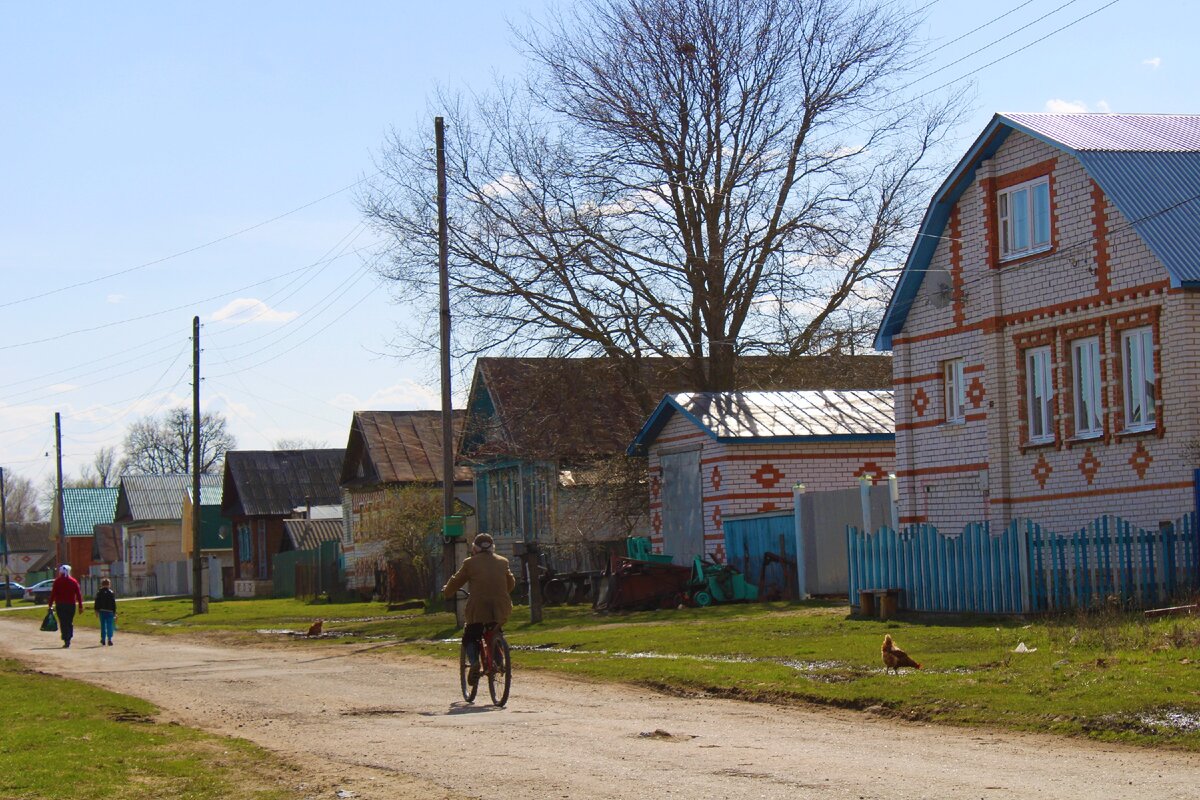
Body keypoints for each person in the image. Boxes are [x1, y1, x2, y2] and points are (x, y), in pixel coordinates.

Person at [442, 533, 516, 686]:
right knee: (495, 631)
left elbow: (457, 581)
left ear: (474, 548)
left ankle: (474, 662)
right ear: (492, 547)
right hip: (501, 606)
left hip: (478, 606)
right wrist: (501, 593)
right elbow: (511, 583)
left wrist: (447, 592)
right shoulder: (503, 562)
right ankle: (499, 661)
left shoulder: (470, 563)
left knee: (470, 635)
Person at [47, 564, 84, 649]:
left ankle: (65, 638)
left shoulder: (57, 581)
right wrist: (80, 606)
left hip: (60, 605)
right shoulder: (73, 581)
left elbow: (53, 594)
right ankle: (69, 636)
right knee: (69, 621)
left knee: (63, 622)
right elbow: (78, 594)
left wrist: (50, 604)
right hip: (71, 605)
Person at [94, 578, 117, 646]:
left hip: (102, 611)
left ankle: (103, 639)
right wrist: (114, 612)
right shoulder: (111, 592)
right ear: (109, 585)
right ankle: (109, 639)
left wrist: (96, 610)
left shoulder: (99, 592)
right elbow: (113, 603)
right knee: (110, 625)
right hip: (110, 611)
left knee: (103, 625)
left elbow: (97, 602)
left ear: (102, 584)